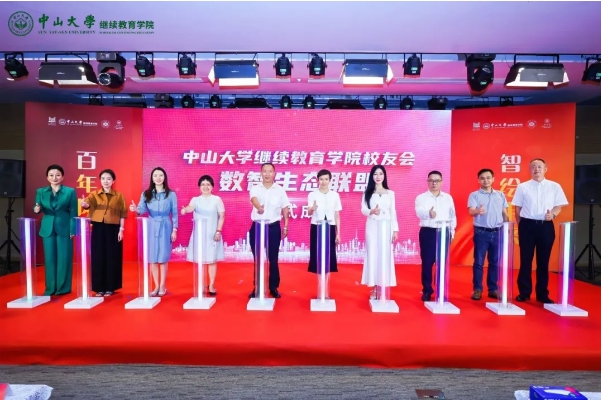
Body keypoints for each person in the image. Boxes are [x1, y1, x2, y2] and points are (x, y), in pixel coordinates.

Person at [513, 158, 568, 304]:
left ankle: (542, 294)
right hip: (527, 225)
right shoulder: (523, 187)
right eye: (533, 167)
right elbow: (517, 209)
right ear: (529, 170)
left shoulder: (554, 186)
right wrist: (521, 225)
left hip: (545, 226)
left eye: (539, 166)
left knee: (543, 261)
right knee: (525, 260)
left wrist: (553, 215)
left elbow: (558, 206)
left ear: (545, 169)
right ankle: (524, 292)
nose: (536, 169)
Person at [129, 167, 178, 297]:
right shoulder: (146, 194)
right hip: (151, 225)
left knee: (163, 257)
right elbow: (141, 209)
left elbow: (174, 212)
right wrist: (135, 209)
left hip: (165, 225)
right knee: (153, 258)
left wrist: (175, 229)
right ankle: (156, 286)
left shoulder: (171, 194)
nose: (158, 178)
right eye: (155, 175)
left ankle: (162, 286)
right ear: (151, 178)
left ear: (164, 177)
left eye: (160, 175)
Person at [80, 169, 127, 297]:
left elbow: (123, 214)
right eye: (103, 178)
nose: (106, 181)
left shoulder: (119, 196)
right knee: (98, 257)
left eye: (109, 178)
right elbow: (87, 204)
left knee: (112, 257)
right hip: (98, 228)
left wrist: (121, 229)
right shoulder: (94, 194)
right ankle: (99, 288)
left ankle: (111, 287)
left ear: (113, 181)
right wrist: (84, 204)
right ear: (100, 180)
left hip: (113, 228)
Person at [33, 164, 78, 296]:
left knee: (64, 258)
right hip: (47, 227)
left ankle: (63, 288)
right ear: (47, 177)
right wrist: (36, 209)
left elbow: (74, 212)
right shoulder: (40, 192)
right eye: (51, 175)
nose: (54, 177)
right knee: (49, 259)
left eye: (58, 175)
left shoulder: (70, 191)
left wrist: (73, 229)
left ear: (62, 177)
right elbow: (37, 207)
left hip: (65, 227)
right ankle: (50, 288)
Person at [248, 163, 290, 299]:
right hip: (257, 227)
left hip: (273, 227)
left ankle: (273, 287)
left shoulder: (280, 190)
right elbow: (253, 199)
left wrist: (285, 226)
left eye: (270, 171)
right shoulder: (255, 188)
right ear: (261, 173)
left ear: (274, 173)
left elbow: (285, 208)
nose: (267, 174)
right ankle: (257, 287)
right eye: (264, 171)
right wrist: (259, 207)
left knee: (273, 259)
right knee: (258, 259)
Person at [415, 170, 457, 302]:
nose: (434, 183)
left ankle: (441, 290)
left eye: (437, 181)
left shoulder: (448, 198)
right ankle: (427, 290)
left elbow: (452, 216)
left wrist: (451, 232)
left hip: (444, 232)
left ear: (441, 182)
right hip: (428, 232)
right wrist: (429, 213)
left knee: (442, 264)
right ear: (427, 182)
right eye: (431, 180)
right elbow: (418, 212)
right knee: (427, 263)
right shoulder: (421, 197)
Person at [467, 168, 509, 301]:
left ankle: (493, 289)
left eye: (488, 178)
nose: (486, 180)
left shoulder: (500, 195)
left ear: (493, 179)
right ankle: (477, 289)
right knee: (479, 262)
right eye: (483, 178)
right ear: (478, 180)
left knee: (495, 262)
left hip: (498, 232)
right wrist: (477, 211)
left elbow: (505, 213)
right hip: (481, 232)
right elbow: (471, 212)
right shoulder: (474, 195)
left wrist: (508, 227)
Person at [181, 175, 225, 296]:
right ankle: (200, 284)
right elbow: (190, 208)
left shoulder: (217, 199)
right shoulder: (195, 200)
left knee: (211, 260)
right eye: (203, 185)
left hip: (212, 234)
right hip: (199, 235)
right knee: (200, 261)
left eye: (208, 184)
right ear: (199, 187)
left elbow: (222, 216)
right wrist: (185, 210)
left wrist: (218, 231)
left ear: (212, 187)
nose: (205, 187)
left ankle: (211, 285)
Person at [360, 165, 399, 299]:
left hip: (386, 226)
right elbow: (363, 209)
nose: (378, 176)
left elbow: (393, 212)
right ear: (372, 176)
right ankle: (374, 286)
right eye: (375, 174)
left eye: (380, 174)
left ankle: (383, 286)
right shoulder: (367, 192)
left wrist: (395, 230)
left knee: (385, 255)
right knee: (373, 254)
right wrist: (371, 211)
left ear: (384, 176)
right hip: (372, 226)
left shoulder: (390, 193)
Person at [307, 169, 342, 291]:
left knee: (329, 257)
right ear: (318, 180)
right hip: (316, 227)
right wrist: (312, 208)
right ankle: (320, 286)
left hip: (330, 227)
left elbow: (337, 215)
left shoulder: (335, 195)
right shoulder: (312, 195)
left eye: (326, 179)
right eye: (321, 179)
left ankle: (326, 287)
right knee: (318, 257)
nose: (324, 182)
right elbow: (309, 212)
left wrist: (338, 234)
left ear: (330, 180)